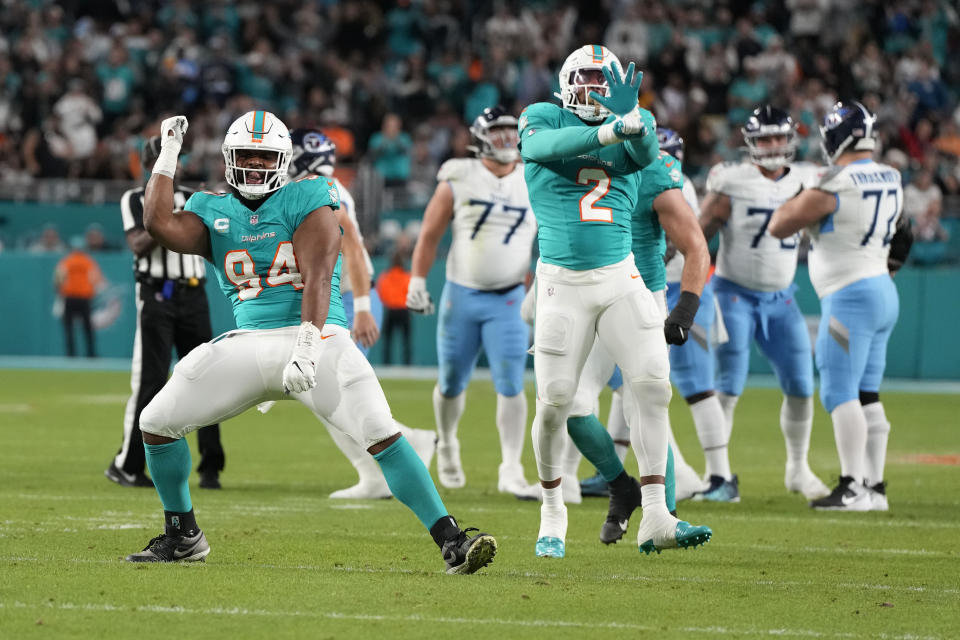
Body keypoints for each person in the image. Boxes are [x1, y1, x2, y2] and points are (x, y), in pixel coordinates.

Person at [126, 111, 496, 575]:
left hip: (319, 337)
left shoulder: (312, 195)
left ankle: (452, 539)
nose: (256, 166)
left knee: (380, 432)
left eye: (266, 157)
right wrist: (169, 154)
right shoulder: (211, 209)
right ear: (228, 159)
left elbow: (319, 276)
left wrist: (306, 347)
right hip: (248, 343)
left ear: (284, 161)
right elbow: (158, 223)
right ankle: (182, 535)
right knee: (156, 422)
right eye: (247, 156)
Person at [520, 44, 711, 558]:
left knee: (652, 385)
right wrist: (610, 130)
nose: (591, 89)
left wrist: (632, 119)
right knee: (557, 402)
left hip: (623, 278)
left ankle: (656, 515)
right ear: (565, 82)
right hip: (562, 284)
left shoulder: (634, 120)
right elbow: (541, 149)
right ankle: (552, 511)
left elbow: (646, 151)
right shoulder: (541, 115)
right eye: (582, 78)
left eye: (601, 81)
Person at [558, 131, 713, 545]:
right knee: (568, 403)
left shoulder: (654, 169)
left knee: (645, 399)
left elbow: (697, 246)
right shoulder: (573, 159)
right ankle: (620, 486)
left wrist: (686, 306)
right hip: (585, 299)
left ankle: (666, 513)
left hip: (641, 298)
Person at [769, 101, 911, 511]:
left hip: (850, 295)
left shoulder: (837, 182)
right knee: (867, 392)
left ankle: (851, 486)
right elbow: (905, 234)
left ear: (835, 136)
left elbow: (780, 224)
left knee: (838, 390)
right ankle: (875, 488)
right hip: (882, 288)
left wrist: (800, 194)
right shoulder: (892, 176)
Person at [285, 128, 436, 500]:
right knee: (331, 397)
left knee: (337, 397)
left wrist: (364, 309)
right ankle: (405, 447)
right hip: (339, 300)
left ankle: (383, 467)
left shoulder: (325, 191)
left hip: (350, 300)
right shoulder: (311, 190)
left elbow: (352, 247)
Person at [698, 105, 831, 503]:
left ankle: (797, 468)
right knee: (728, 386)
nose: (773, 146)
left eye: (778, 137)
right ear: (751, 143)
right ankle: (717, 475)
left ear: (790, 140)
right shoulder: (731, 180)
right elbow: (697, 233)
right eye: (765, 138)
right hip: (732, 292)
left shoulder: (811, 178)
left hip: (782, 297)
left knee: (801, 387)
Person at [406, 105, 539, 499]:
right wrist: (416, 278)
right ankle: (446, 441)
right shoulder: (459, 174)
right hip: (462, 293)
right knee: (450, 382)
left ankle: (511, 468)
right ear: (480, 137)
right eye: (497, 132)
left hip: (511, 297)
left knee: (513, 384)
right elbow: (429, 233)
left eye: (510, 131)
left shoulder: (533, 177)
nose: (506, 139)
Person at [105, 136, 225, 490]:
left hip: (193, 293)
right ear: (151, 163)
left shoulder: (194, 198)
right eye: (167, 159)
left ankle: (211, 466)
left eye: (177, 158)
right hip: (157, 294)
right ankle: (128, 465)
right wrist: (165, 216)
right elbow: (139, 246)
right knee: (152, 381)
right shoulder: (134, 198)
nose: (176, 165)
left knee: (207, 378)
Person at [54, 239, 103, 357]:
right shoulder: (88, 262)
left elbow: (58, 279)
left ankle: (71, 354)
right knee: (88, 329)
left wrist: (59, 292)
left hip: (69, 297)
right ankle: (91, 354)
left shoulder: (66, 261)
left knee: (69, 328)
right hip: (84, 298)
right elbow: (96, 279)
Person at [377, 248, 413, 365]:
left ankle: (386, 364)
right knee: (406, 340)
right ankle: (407, 365)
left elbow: (381, 293)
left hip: (391, 310)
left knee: (387, 340)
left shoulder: (385, 277)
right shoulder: (408, 277)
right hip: (404, 311)